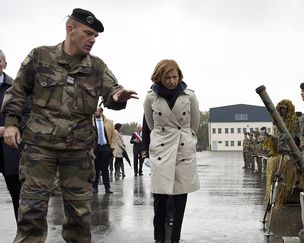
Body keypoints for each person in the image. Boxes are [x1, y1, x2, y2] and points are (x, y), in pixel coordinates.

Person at [1, 8, 137, 242]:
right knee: (31, 212)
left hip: (78, 151)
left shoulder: (97, 67)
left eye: (95, 36)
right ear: (70, 29)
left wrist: (117, 97)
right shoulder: (40, 56)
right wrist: (11, 123)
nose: (93, 39)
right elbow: (18, 90)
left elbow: (112, 90)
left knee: (79, 217)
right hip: (39, 149)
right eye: (88, 33)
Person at [144, 59, 200, 243]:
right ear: (159, 77)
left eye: (175, 77)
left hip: (183, 151)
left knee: (179, 201)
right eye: (167, 77)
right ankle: (159, 239)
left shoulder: (189, 96)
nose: (172, 81)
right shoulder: (151, 97)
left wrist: (187, 139)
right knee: (159, 201)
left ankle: (174, 239)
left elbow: (194, 124)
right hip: (162, 149)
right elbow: (151, 126)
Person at [0, 49, 31, 222]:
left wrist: (8, 128)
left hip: (11, 149)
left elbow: (27, 113)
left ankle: (24, 233)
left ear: (4, 64)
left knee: (18, 195)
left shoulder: (15, 87)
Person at [93, 106, 115, 194]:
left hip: (106, 148)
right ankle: (95, 187)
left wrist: (111, 148)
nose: (94, 112)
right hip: (95, 148)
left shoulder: (109, 122)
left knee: (105, 169)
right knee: (95, 169)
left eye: (96, 111)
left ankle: (107, 188)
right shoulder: (91, 122)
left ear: (101, 111)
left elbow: (113, 136)